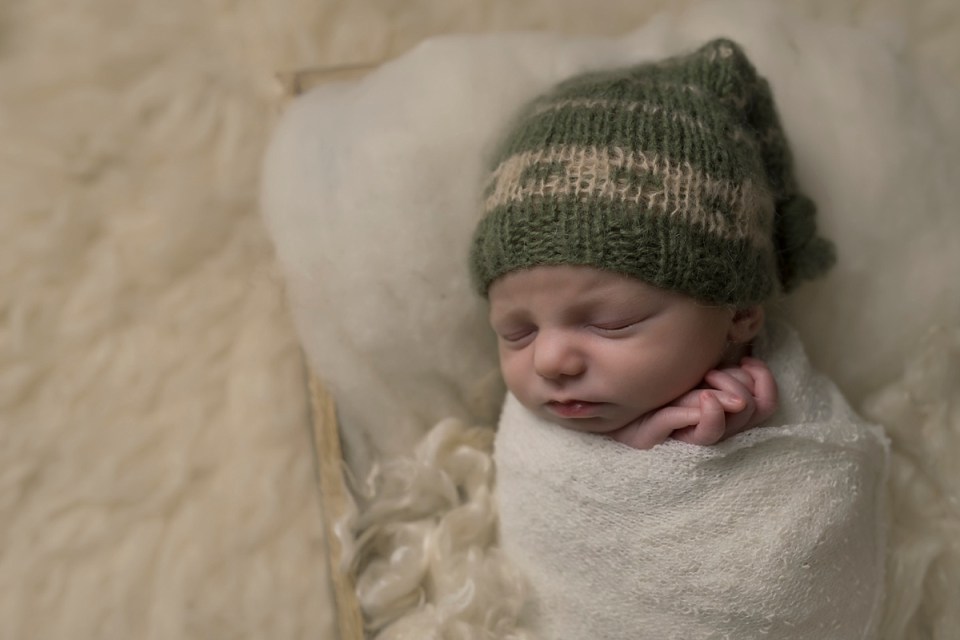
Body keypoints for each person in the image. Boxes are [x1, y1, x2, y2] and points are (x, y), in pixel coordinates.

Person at [469, 37, 835, 449]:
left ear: (740, 312)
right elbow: (527, 483)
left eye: (612, 324)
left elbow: (843, 471)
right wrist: (637, 450)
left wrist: (742, 448)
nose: (548, 361)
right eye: (516, 333)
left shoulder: (792, 396)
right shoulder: (532, 425)